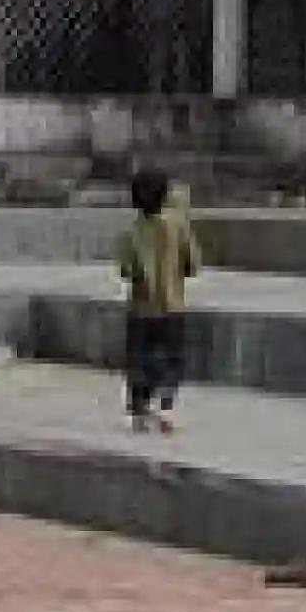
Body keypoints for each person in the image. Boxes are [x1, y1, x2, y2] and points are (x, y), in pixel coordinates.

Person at [118, 166, 203, 434]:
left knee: (139, 358)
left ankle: (139, 410)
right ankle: (166, 407)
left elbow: (126, 270)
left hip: (141, 309)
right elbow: (194, 264)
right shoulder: (178, 226)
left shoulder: (131, 232)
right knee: (172, 358)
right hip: (172, 307)